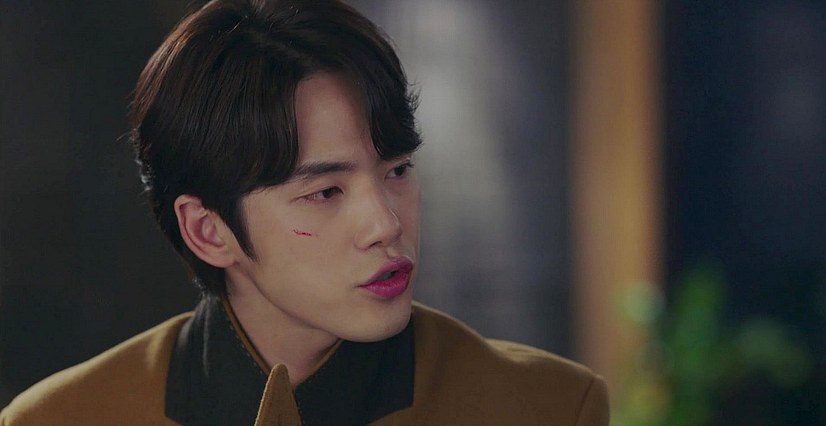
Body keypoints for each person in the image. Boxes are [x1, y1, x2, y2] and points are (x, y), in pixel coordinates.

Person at [0, 0, 608, 424]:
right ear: (209, 231)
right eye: (325, 192)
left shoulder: (547, 407)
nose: (387, 224)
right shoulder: (60, 418)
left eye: (397, 170)